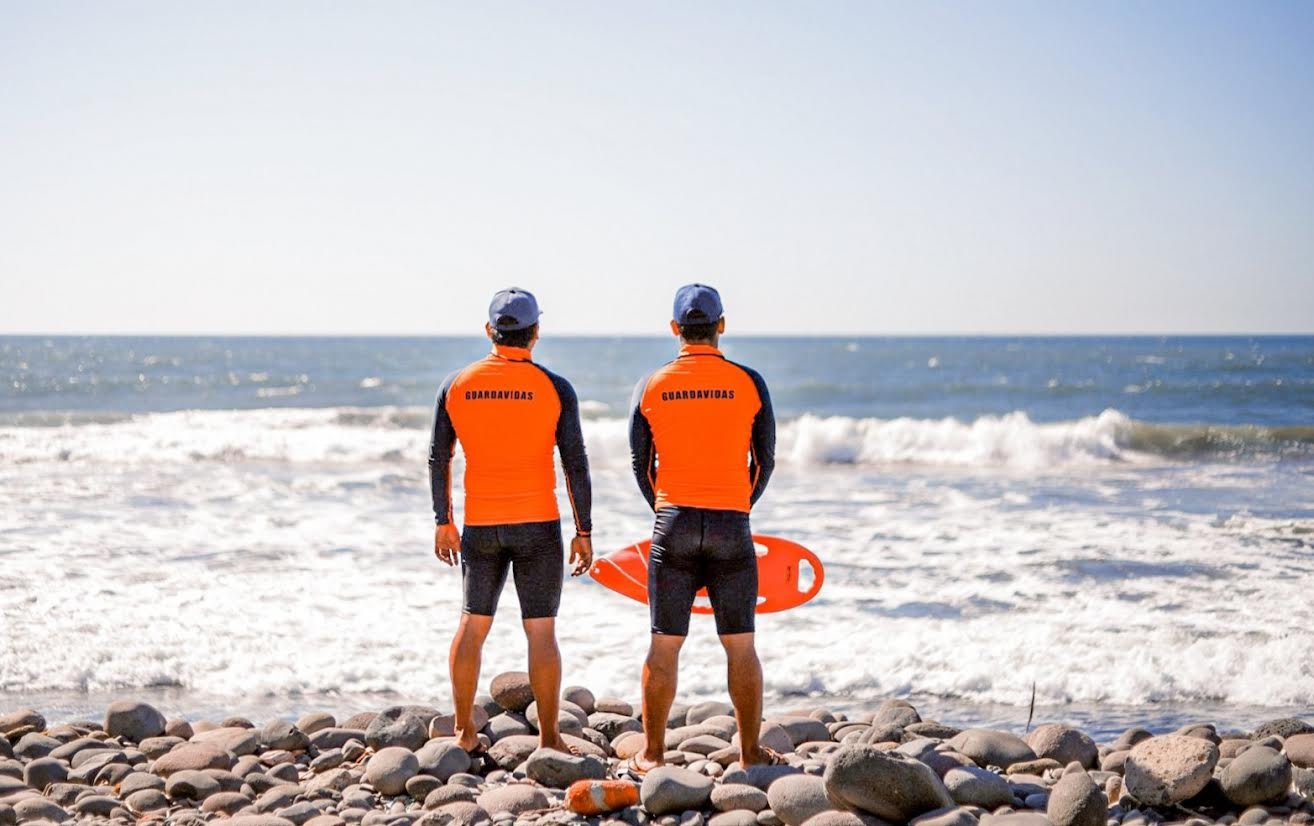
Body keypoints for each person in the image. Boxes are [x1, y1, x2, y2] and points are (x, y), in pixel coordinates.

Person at [429, 287, 593, 755]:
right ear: (535, 332)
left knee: (472, 624)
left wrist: (443, 521)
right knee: (541, 631)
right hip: (538, 525)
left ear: (489, 330)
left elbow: (439, 457)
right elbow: (575, 464)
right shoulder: (555, 387)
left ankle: (464, 730)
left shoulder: (457, 384)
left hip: (481, 525)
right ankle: (550, 738)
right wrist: (583, 531)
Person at [627, 283, 777, 771]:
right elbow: (764, 460)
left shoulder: (651, 384)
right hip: (732, 524)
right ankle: (750, 754)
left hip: (673, 523)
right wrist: (739, 505)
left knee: (664, 643)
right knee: (741, 644)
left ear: (675, 328)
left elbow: (641, 463)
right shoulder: (749, 382)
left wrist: (664, 508)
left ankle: (652, 754)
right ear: (721, 326)